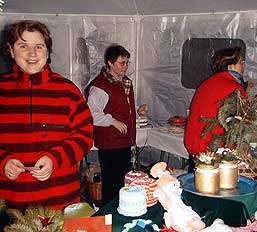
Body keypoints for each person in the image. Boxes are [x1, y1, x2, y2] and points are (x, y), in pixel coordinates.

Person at [0, 20, 93, 210]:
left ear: (47, 52)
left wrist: (54, 159)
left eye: (39, 46)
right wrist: (3, 161)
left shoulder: (67, 91)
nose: (32, 54)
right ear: (10, 50)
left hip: (61, 201)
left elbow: (85, 136)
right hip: (11, 205)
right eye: (23, 45)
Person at [85, 44, 148, 206]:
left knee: (122, 181)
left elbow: (122, 107)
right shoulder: (100, 86)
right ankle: (109, 213)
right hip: (110, 143)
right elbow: (91, 113)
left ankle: (121, 209)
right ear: (110, 63)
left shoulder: (123, 82)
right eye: (121, 63)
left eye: (127, 62)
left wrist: (137, 111)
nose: (125, 66)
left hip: (123, 140)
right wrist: (112, 121)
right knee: (112, 183)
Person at [184, 47, 247, 167]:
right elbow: (242, 124)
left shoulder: (207, 83)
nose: (244, 65)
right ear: (231, 66)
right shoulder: (234, 88)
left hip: (197, 148)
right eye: (241, 62)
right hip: (216, 152)